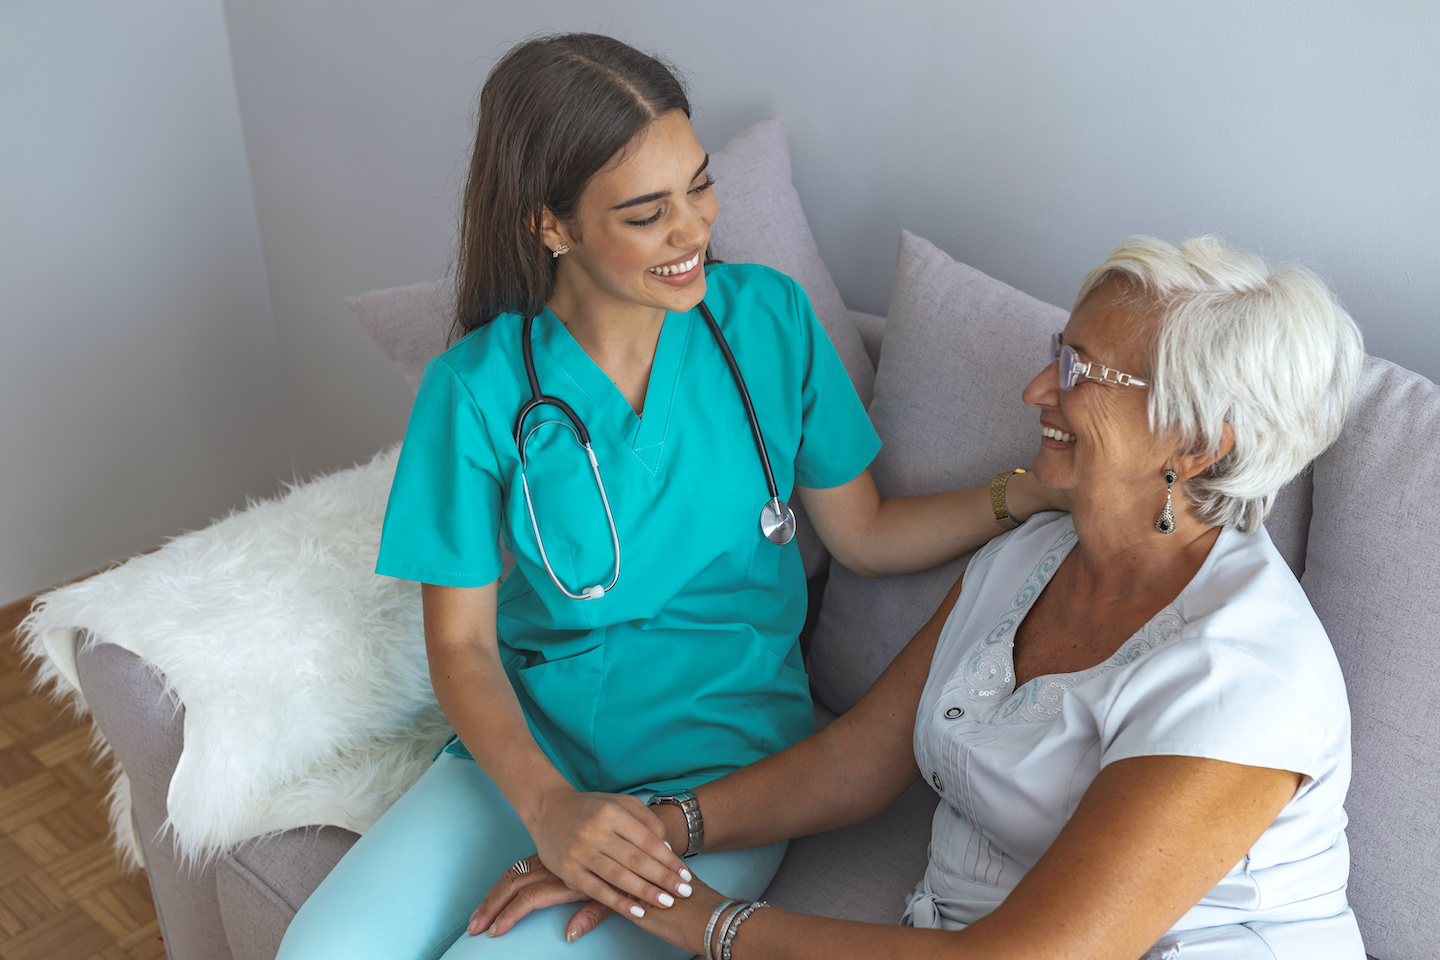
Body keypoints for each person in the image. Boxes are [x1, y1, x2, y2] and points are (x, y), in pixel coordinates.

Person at [275, 33, 1061, 960]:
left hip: (722, 771)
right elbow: (461, 643)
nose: (693, 230)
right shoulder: (477, 389)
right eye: (648, 213)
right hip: (531, 759)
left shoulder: (766, 322)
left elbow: (868, 534)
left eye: (698, 186)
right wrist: (549, 804)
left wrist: (1031, 492)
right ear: (551, 225)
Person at [474, 236, 1368, 959]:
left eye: (1082, 371)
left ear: (1198, 441)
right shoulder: (1036, 553)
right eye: (1058, 353)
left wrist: (688, 915)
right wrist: (652, 840)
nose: (1036, 390)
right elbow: (855, 761)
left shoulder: (1245, 677)